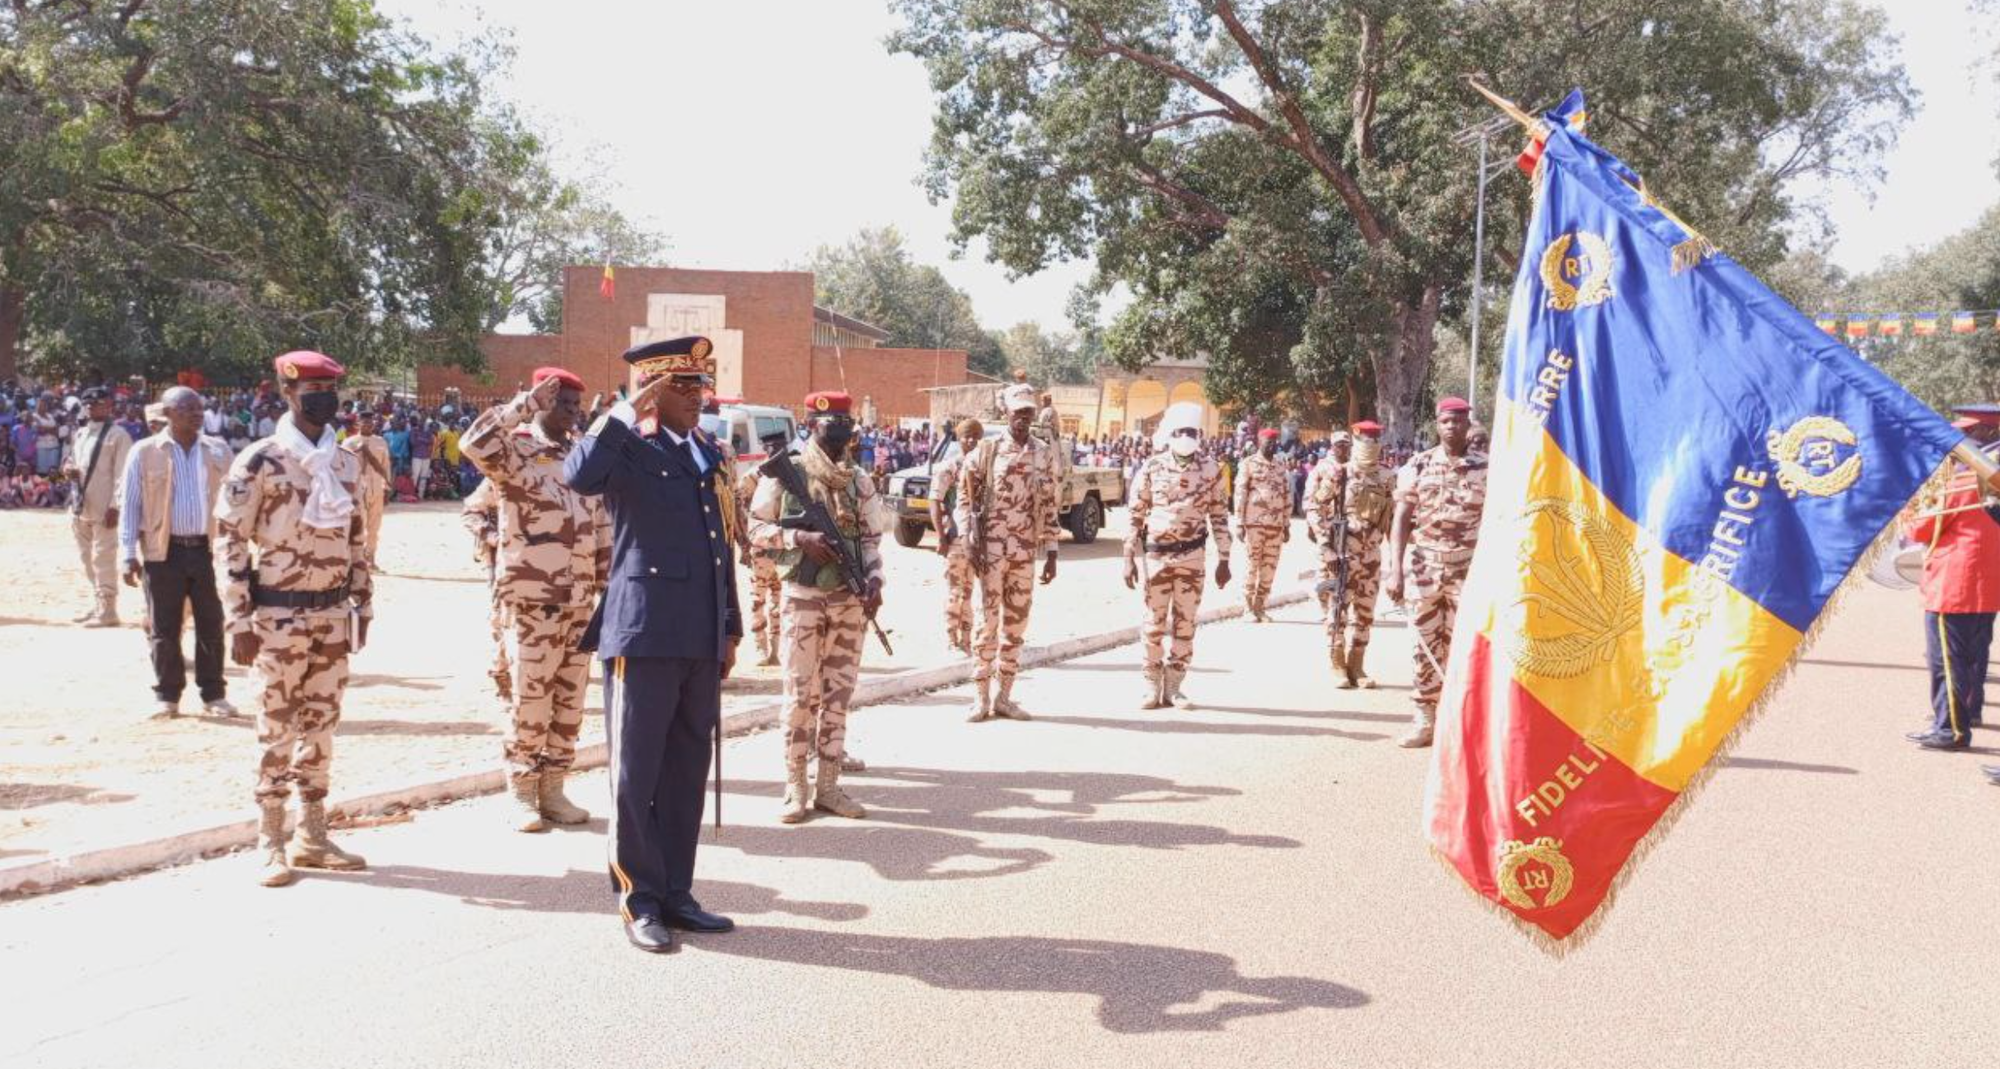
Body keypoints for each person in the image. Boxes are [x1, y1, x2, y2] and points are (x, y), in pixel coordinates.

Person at [566, 335, 742, 954]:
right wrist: (621, 410)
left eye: (702, 385)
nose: (700, 397)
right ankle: (638, 896)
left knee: (687, 768)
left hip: (697, 630)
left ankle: (676, 891)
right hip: (641, 633)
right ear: (653, 391)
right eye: (685, 386)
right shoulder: (629, 449)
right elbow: (581, 475)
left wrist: (730, 626)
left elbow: (723, 551)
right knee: (635, 772)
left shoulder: (708, 454)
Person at [216, 351, 373, 886]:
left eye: (330, 388)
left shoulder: (347, 463)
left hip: (331, 614)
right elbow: (232, 541)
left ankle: (313, 834)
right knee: (276, 728)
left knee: (322, 727)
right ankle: (270, 840)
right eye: (312, 389)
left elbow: (358, 541)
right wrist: (237, 621)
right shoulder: (259, 461)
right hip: (277, 617)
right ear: (288, 394)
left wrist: (363, 603)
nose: (324, 398)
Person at [462, 367, 611, 831]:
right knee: (530, 701)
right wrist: (522, 404)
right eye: (562, 402)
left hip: (579, 602)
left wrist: (607, 588)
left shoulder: (582, 458)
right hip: (531, 603)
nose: (571, 412)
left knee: (569, 703)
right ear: (543, 400)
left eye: (575, 405)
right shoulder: (516, 452)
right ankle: (523, 791)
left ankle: (555, 788)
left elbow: (601, 525)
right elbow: (474, 442)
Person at [748, 390, 884, 822]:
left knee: (838, 695)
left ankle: (828, 787)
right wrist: (796, 539)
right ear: (810, 424)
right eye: (832, 424)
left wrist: (876, 581)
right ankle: (795, 786)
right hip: (803, 600)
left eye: (847, 423)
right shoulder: (787, 473)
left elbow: (871, 542)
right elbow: (753, 527)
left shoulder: (858, 480)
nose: (842, 432)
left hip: (848, 600)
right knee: (799, 695)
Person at [120, 387, 236, 720]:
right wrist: (127, 553)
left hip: (208, 551)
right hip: (163, 553)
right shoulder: (144, 452)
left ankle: (214, 695)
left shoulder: (218, 451)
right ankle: (167, 697)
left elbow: (235, 501)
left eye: (200, 408)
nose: (197, 413)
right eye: (187, 408)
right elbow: (131, 505)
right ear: (168, 413)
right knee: (164, 627)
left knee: (211, 623)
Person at [1384, 397, 1487, 748]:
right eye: (1447, 421)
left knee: (1465, 646)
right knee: (1424, 644)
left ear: (1467, 424)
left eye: (1459, 421)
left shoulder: (1487, 469)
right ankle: (1425, 719)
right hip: (1425, 568)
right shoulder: (1418, 465)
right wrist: (1394, 569)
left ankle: (1461, 719)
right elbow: (1400, 520)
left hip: (1468, 571)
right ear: (1437, 424)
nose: (1453, 427)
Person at [960, 386, 1059, 722]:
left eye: (1028, 413)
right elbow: (964, 496)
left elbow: (1049, 501)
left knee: (1015, 627)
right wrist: (967, 540)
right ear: (1007, 413)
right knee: (986, 626)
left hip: (1024, 553)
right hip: (990, 554)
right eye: (1018, 412)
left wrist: (1053, 550)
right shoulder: (986, 451)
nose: (1022, 418)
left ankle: (1005, 697)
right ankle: (980, 697)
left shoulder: (1043, 452)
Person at [1902, 413, 2000, 752]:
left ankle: (1951, 730)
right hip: (1987, 582)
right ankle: (1967, 714)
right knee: (1974, 654)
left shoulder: (1963, 478)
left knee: (1947, 659)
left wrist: (1911, 508)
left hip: (1955, 582)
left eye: (1965, 435)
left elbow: (1921, 528)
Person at [1124, 402, 1231, 709]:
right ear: (1171, 435)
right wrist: (1128, 555)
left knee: (1185, 624)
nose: (1187, 436)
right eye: (1181, 431)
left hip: (1193, 556)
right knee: (1153, 623)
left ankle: (1174, 686)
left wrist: (1224, 558)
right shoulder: (1152, 467)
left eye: (1192, 431)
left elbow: (1219, 515)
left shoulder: (1211, 469)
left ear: (1199, 435)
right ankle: (1150, 685)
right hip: (1157, 557)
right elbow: (1135, 514)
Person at [1307, 421, 1394, 688]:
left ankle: (1357, 665)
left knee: (1365, 613)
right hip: (1341, 555)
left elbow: (1392, 517)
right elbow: (1313, 507)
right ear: (1355, 439)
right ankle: (1337, 663)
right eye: (1364, 438)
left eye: (1374, 438)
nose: (1370, 442)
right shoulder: (1340, 474)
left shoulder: (1387, 476)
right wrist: (1326, 546)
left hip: (1371, 557)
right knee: (1337, 612)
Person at [66, 386, 133, 627]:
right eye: (90, 404)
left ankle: (108, 610)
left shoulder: (118, 435)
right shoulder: (81, 433)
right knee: (86, 558)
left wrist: (116, 506)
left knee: (103, 557)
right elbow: (72, 461)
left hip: (106, 508)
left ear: (109, 406)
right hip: (81, 505)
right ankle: (98, 603)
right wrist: (69, 471)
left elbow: (123, 474)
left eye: (99, 403)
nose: (93, 407)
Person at [928, 418, 984, 654]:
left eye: (975, 437)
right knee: (955, 590)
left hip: (977, 538)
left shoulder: (983, 467)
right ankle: (952, 637)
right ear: (959, 439)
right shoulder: (950, 466)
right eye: (966, 436)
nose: (970, 440)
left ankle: (967, 638)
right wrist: (940, 537)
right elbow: (935, 500)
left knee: (969, 591)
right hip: (955, 537)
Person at [459, 477, 511, 703]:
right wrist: (495, 538)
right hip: (504, 561)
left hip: (554, 563)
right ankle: (502, 672)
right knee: (502, 617)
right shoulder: (502, 475)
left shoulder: (565, 468)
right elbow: (471, 513)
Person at [1231, 428, 1290, 622]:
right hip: (1254, 524)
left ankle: (1260, 607)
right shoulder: (1248, 464)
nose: (1272, 445)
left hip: (1275, 526)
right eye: (1268, 442)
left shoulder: (1281, 465)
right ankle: (1247, 609)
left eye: (1274, 442)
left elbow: (1286, 495)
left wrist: (1287, 523)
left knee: (1269, 568)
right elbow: (1240, 494)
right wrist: (1239, 523)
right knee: (1251, 566)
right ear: (1259, 442)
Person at [736, 462, 784, 666]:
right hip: (760, 544)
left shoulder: (792, 470)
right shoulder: (755, 475)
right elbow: (738, 505)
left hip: (784, 545)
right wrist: (744, 541)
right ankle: (760, 646)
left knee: (779, 598)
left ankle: (776, 648)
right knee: (758, 597)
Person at [341, 408, 391, 569]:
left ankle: (371, 558)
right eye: (364, 422)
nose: (368, 425)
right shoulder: (349, 443)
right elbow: (342, 465)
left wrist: (387, 487)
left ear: (375, 424)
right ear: (358, 424)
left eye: (371, 422)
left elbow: (386, 465)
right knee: (358, 524)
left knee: (374, 526)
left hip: (377, 487)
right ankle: (356, 560)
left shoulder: (381, 442)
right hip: (357, 488)